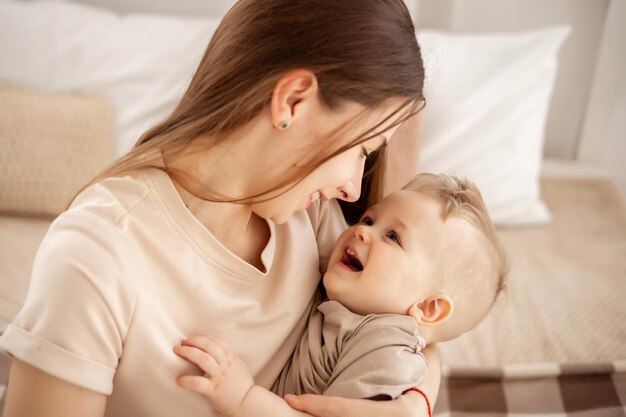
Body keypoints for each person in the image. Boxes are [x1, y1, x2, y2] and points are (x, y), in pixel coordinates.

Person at [0, 0, 442, 416]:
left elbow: (415, 329)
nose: (351, 188)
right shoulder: (99, 253)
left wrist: (413, 403)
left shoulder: (311, 220)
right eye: (361, 148)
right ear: (292, 101)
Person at [173, 173, 508, 417]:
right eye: (369, 219)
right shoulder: (348, 305)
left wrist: (242, 397)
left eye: (393, 237)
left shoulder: (385, 350)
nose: (362, 231)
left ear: (428, 307)